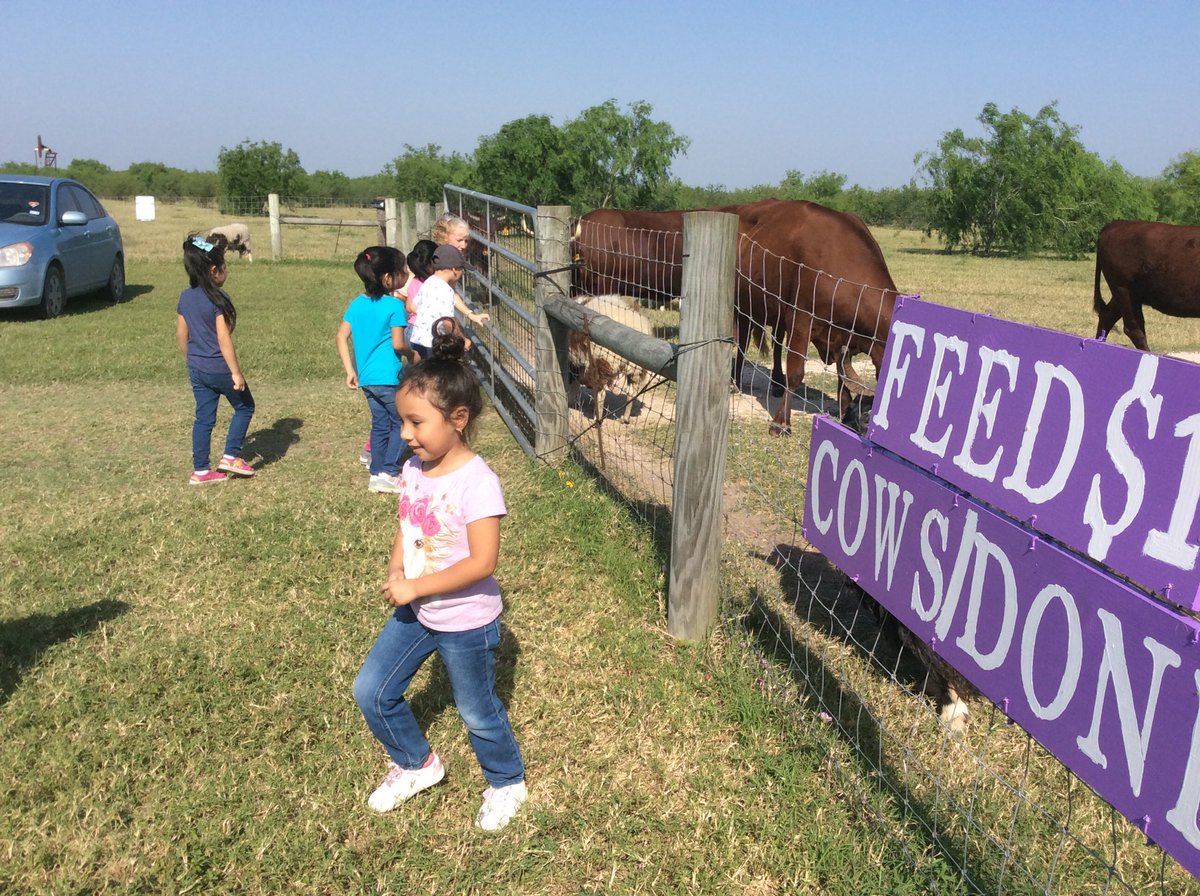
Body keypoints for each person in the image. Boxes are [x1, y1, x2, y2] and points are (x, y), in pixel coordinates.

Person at [353, 319, 526, 831]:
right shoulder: (413, 469)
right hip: (417, 608)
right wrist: (396, 567)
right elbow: (407, 524)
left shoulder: (478, 482)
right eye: (402, 422)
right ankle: (416, 764)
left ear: (458, 418)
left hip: (466, 620)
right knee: (372, 690)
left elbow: (481, 564)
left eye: (415, 423)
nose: (404, 434)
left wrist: (415, 586)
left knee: (477, 710)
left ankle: (506, 781)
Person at [176, 234, 256, 485]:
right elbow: (224, 339)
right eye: (225, 267)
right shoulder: (219, 299)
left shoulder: (185, 297)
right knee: (245, 406)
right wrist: (235, 372)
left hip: (197, 368)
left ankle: (201, 471)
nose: (226, 271)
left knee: (204, 419)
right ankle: (230, 456)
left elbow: (182, 333)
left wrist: (191, 359)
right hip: (219, 368)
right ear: (213, 270)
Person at [337, 247, 410, 493]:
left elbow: (341, 337)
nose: (406, 274)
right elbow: (398, 343)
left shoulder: (357, 304)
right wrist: (413, 353)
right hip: (389, 377)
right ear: (388, 278)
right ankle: (390, 472)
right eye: (403, 271)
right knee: (402, 423)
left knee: (380, 424)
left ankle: (376, 471)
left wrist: (350, 370)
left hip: (367, 379)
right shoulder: (394, 306)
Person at [408, 245, 490, 360]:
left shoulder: (429, 282)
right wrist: (462, 339)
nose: (462, 272)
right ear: (454, 270)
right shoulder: (444, 290)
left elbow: (413, 305)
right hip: (432, 345)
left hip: (417, 340)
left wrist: (471, 315)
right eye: (462, 269)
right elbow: (447, 322)